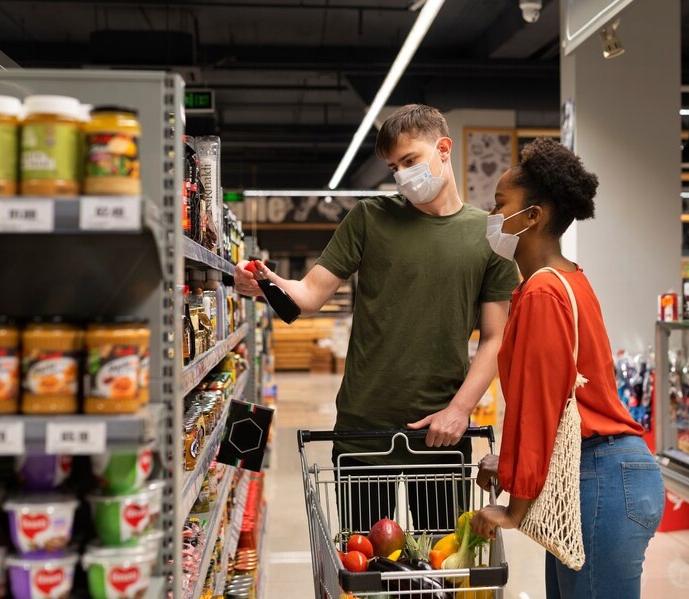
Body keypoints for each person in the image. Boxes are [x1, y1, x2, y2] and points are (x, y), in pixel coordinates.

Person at [234, 104, 520, 532]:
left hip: (440, 433)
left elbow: (496, 337)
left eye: (410, 160)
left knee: (440, 563)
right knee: (365, 563)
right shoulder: (369, 219)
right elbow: (309, 295)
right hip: (362, 430)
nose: (402, 175)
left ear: (443, 149)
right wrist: (266, 283)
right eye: (393, 167)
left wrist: (460, 410)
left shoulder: (488, 236)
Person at [470, 138, 665, 599]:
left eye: (500, 205)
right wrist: (511, 465)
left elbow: (541, 407)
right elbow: (557, 399)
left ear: (532, 217)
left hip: (598, 478)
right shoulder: (567, 279)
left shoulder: (544, 292)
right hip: (596, 474)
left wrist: (514, 510)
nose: (492, 216)